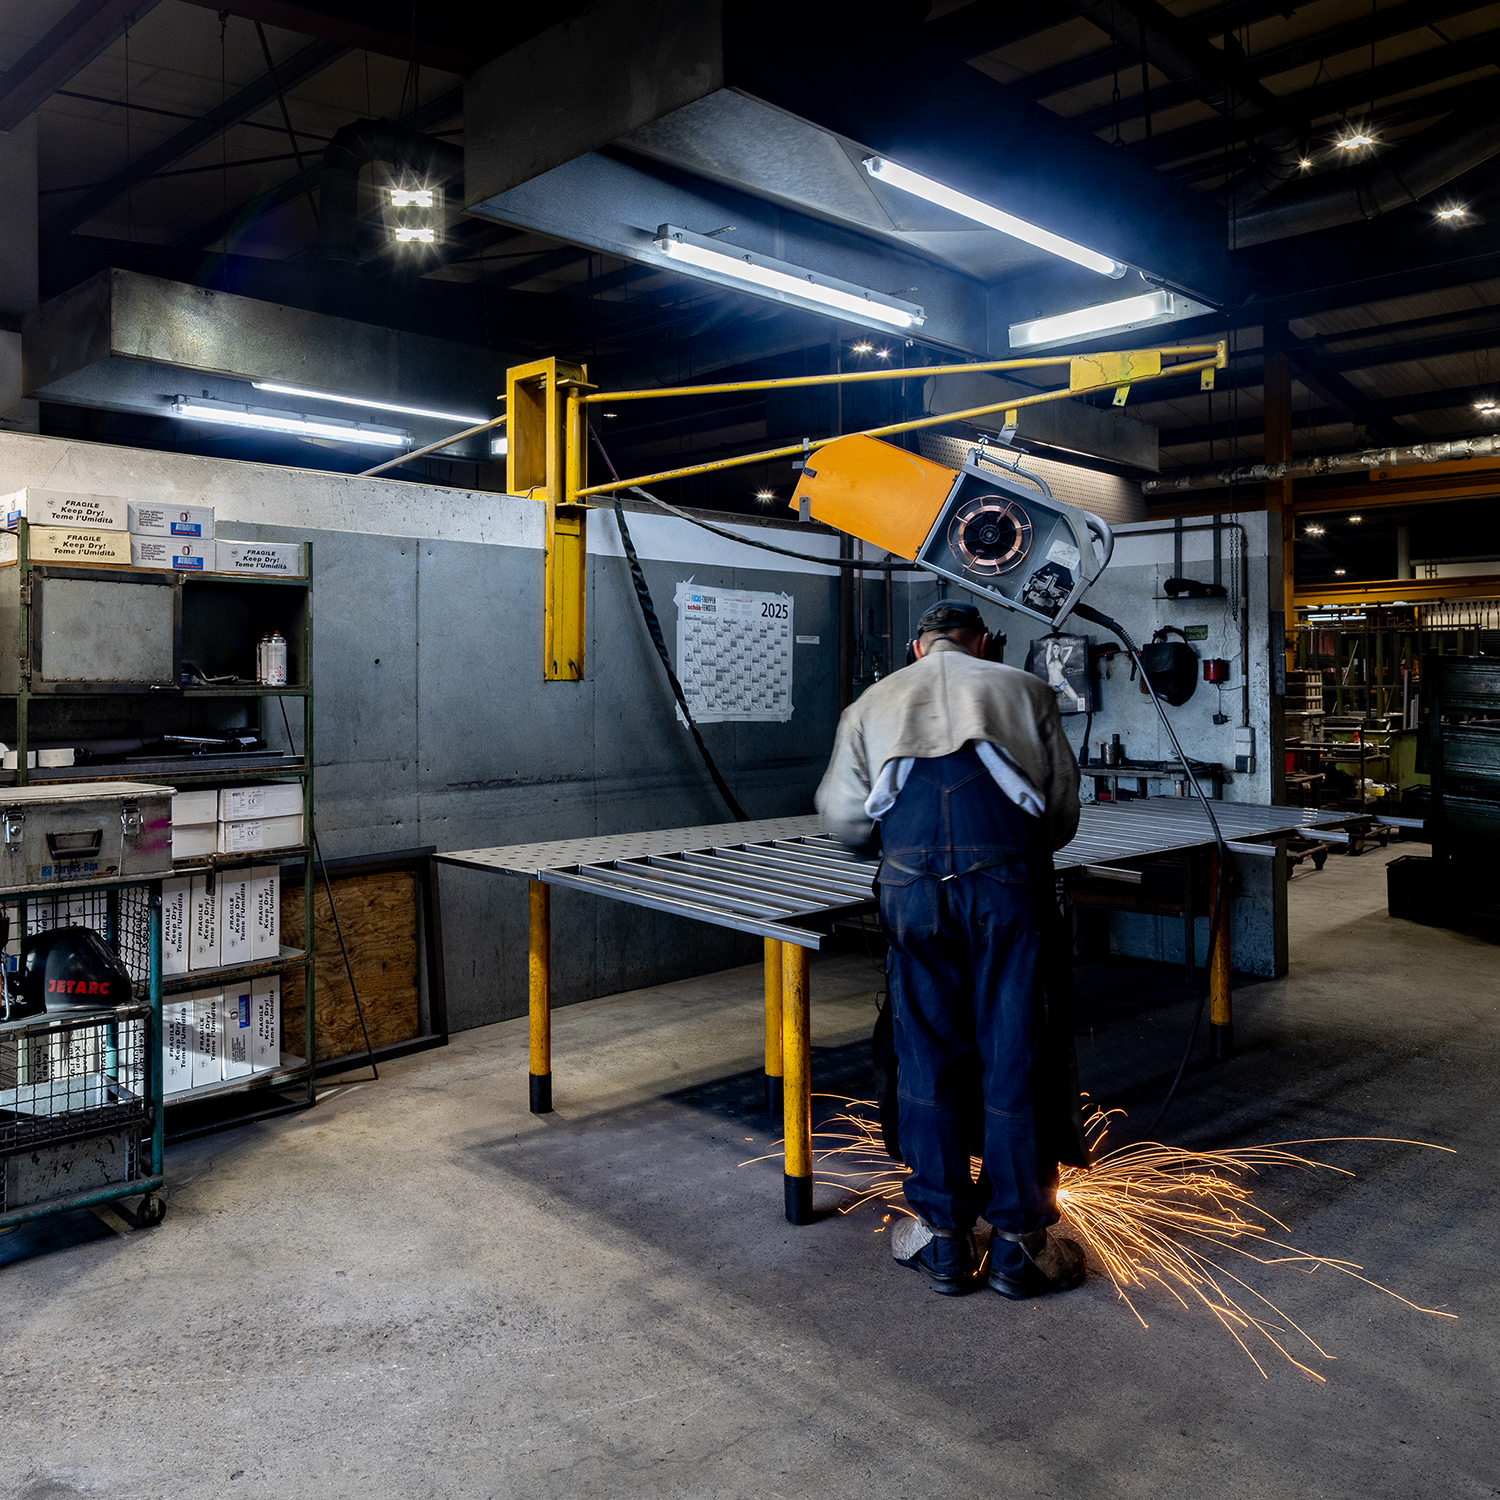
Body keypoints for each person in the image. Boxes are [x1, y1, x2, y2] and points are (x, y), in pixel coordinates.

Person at [815, 600, 1086, 1299]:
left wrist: (910, 850)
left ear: (916, 648)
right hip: (1007, 893)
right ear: (984, 642)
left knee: (926, 1056)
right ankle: (1020, 1243)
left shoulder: (871, 704)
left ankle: (941, 1238)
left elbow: (844, 820)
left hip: (913, 894)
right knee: (1014, 1048)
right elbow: (1060, 817)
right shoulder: (1026, 692)